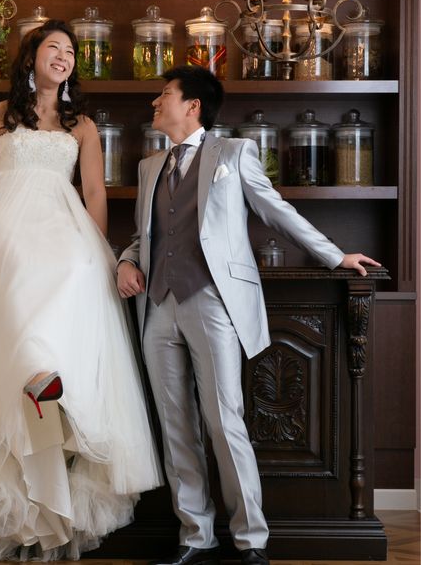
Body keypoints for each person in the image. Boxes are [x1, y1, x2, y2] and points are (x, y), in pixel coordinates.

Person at [0, 20, 162, 565]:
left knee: (61, 300)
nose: (64, 57)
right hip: (2, 236)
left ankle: (48, 395)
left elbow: (93, 192)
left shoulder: (82, 125)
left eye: (71, 52)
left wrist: (100, 251)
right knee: (17, 316)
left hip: (61, 235)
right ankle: (38, 388)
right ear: (31, 57)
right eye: (53, 48)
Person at [116, 65, 380, 565]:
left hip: (213, 302)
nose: (155, 102)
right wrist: (126, 261)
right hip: (159, 307)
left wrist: (335, 256)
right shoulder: (149, 167)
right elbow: (145, 236)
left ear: (192, 105)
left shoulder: (234, 153)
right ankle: (195, 536)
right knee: (175, 427)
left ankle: (250, 539)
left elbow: (276, 210)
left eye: (164, 94)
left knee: (225, 422)